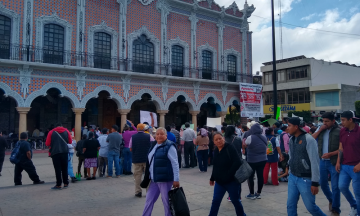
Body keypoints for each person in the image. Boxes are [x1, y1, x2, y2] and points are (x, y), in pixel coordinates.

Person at [286, 117, 325, 216]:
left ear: (296, 127)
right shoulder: (291, 139)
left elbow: (315, 161)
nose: (287, 128)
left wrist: (315, 182)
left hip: (305, 179)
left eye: (289, 126)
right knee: (290, 205)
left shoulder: (308, 139)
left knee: (311, 207)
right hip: (293, 177)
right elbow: (291, 157)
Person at [142, 127, 180, 216]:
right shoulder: (154, 145)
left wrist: (176, 179)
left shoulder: (169, 146)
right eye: (157, 134)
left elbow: (175, 163)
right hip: (154, 179)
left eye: (161, 134)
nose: (159, 136)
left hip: (165, 179)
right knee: (149, 200)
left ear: (166, 136)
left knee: (166, 202)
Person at [209, 132, 245, 216]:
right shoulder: (216, 150)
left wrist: (228, 175)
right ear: (214, 142)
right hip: (219, 182)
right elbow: (215, 165)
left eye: (220, 138)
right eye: (216, 140)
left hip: (232, 182)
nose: (218, 141)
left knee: (235, 201)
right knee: (215, 201)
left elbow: (237, 162)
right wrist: (212, 177)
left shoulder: (230, 148)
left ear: (223, 138)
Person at [312, 112, 341, 215]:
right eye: (323, 121)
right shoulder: (321, 130)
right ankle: (331, 199)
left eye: (327, 121)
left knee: (335, 187)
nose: (325, 123)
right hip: (322, 161)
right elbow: (311, 139)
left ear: (333, 121)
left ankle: (336, 209)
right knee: (323, 184)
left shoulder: (339, 131)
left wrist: (331, 154)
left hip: (334, 162)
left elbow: (343, 148)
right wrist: (320, 129)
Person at [336, 110, 360, 216]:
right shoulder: (343, 131)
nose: (342, 122)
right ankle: (354, 206)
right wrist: (338, 162)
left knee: (358, 193)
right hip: (344, 165)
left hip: (356, 166)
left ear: (351, 119)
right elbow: (341, 147)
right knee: (342, 187)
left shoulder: (359, 131)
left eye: (343, 120)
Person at [243, 123, 267, 200]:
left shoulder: (250, 137)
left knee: (250, 176)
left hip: (252, 160)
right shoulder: (264, 137)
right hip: (263, 159)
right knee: (260, 176)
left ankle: (252, 194)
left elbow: (245, 145)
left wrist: (244, 143)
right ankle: (258, 193)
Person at [46, 123, 72, 190]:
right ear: (62, 126)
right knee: (64, 168)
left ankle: (58, 184)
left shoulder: (51, 132)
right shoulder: (66, 131)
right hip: (64, 152)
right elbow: (70, 141)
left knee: (57, 169)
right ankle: (66, 183)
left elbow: (47, 143)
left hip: (55, 152)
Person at [130, 124, 152, 197]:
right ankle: (148, 191)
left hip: (136, 159)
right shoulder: (149, 136)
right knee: (148, 175)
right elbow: (153, 144)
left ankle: (138, 192)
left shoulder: (133, 137)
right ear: (144, 129)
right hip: (147, 159)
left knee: (137, 176)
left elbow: (130, 148)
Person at [224, 126, 243, 202]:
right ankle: (238, 196)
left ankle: (230, 196)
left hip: (227, 161)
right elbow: (240, 149)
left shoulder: (224, 139)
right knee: (238, 179)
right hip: (237, 161)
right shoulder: (238, 138)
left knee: (229, 179)